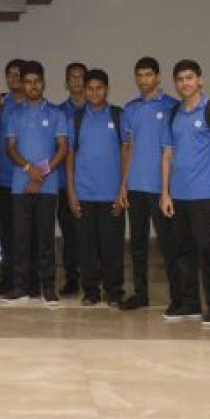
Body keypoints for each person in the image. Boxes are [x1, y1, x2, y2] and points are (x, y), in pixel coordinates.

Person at [159, 59, 210, 327]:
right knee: (182, 250)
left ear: (200, 80)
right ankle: (189, 304)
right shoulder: (173, 114)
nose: (185, 83)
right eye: (180, 79)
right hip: (178, 195)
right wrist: (164, 192)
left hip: (205, 194)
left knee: (207, 249)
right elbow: (167, 154)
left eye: (190, 78)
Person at [3, 60, 69, 306]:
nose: (32, 86)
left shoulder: (56, 114)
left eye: (36, 81)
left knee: (45, 238)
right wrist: (29, 169)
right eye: (27, 82)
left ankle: (48, 287)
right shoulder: (14, 114)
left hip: (48, 186)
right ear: (23, 84)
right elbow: (10, 149)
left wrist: (41, 173)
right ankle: (20, 287)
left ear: (44, 82)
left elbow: (62, 148)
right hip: (20, 186)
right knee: (20, 238)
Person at [117, 57, 179, 312]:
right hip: (136, 187)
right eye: (139, 75)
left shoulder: (173, 107)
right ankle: (141, 294)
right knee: (138, 244)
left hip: (163, 189)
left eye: (148, 75)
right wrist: (123, 185)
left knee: (168, 244)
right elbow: (127, 149)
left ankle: (179, 296)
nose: (144, 80)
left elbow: (174, 150)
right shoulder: (129, 109)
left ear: (158, 77)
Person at [65, 69, 128, 307]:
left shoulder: (119, 116)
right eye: (89, 88)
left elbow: (126, 152)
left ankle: (114, 291)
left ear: (107, 89)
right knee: (86, 247)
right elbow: (70, 156)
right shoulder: (76, 120)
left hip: (112, 194)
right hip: (84, 193)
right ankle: (90, 291)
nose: (93, 93)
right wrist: (71, 192)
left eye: (99, 88)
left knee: (112, 246)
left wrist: (123, 189)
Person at [0, 58, 26, 295]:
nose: (14, 78)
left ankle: (25, 279)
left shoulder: (34, 104)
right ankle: (4, 277)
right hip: (3, 180)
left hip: (25, 181)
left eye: (18, 74)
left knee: (24, 233)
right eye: (10, 74)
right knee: (2, 234)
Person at [56, 61, 88, 296]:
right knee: (70, 236)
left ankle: (92, 279)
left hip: (93, 186)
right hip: (63, 185)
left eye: (81, 77)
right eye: (72, 78)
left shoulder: (97, 109)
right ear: (67, 83)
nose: (77, 81)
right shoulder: (58, 113)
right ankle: (72, 279)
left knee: (92, 235)